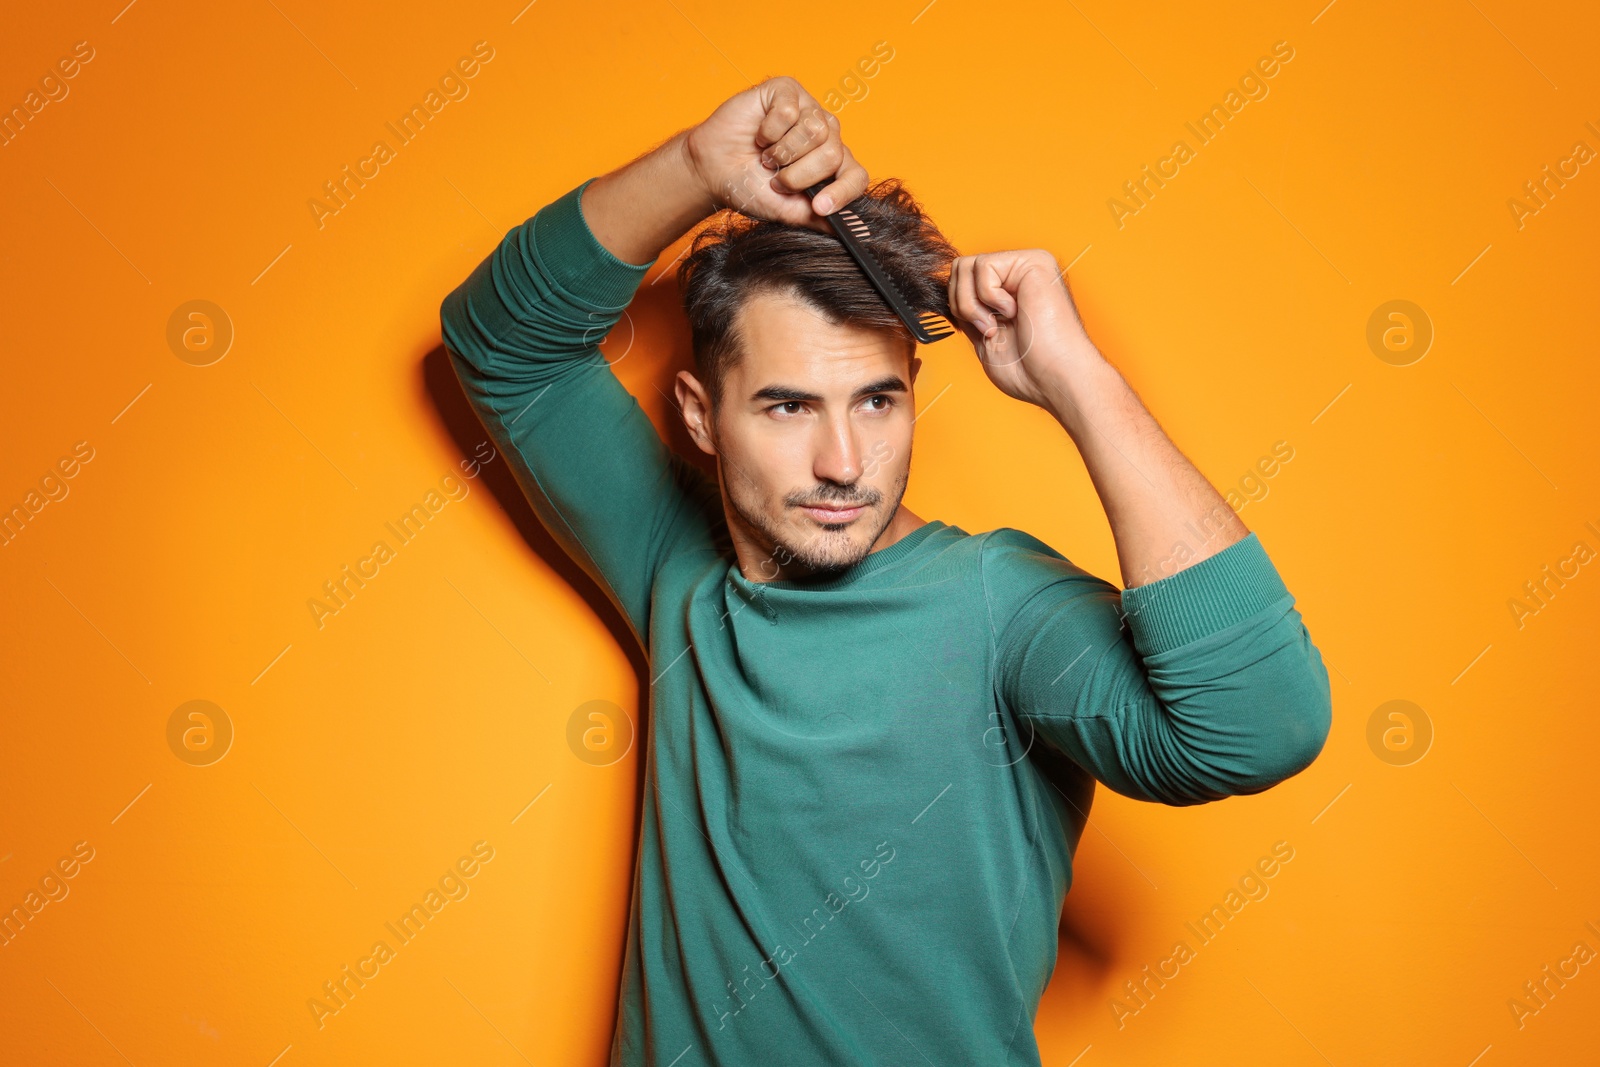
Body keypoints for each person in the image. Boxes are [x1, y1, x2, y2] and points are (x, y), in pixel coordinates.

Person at [440, 75, 1331, 1067]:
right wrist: (698, 166)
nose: (842, 464)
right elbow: (500, 339)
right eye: (787, 407)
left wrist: (1079, 379)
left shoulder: (998, 604)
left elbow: (1259, 727)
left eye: (876, 402)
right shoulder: (674, 562)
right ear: (699, 415)